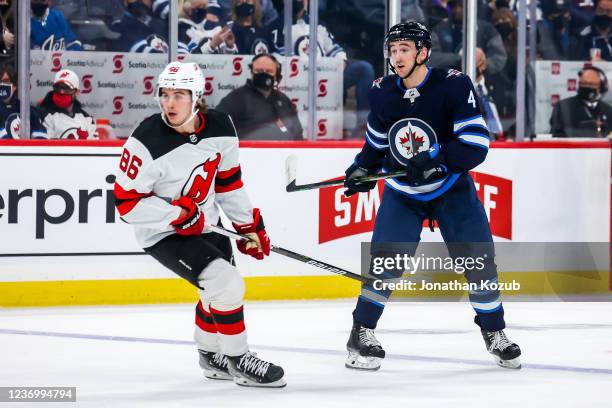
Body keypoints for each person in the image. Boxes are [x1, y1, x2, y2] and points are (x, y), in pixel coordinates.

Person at [342, 22, 521, 371]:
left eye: (405, 49)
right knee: (385, 265)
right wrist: (361, 170)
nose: (397, 56)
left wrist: (437, 162)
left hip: (451, 189)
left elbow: (476, 143)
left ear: (423, 52)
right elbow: (378, 143)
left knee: (478, 262)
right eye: (393, 50)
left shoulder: (453, 85)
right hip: (403, 194)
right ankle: (361, 331)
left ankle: (494, 331)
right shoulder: (381, 90)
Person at [113, 60, 286, 387]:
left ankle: (210, 354)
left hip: (206, 223)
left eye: (179, 95)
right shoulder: (146, 140)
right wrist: (175, 215)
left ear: (197, 97)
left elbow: (228, 183)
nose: (170, 103)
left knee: (216, 292)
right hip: (163, 232)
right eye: (164, 94)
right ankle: (239, 359)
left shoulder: (221, 126)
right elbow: (126, 204)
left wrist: (248, 226)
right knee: (226, 284)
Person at [217, 53, 303, 139]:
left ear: (276, 75)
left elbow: (297, 133)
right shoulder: (236, 99)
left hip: (284, 151)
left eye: (269, 71)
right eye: (259, 71)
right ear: (252, 73)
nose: (264, 75)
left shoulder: (283, 100)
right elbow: (216, 128)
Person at [550, 65, 612, 137]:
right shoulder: (563, 107)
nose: (586, 87)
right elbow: (555, 135)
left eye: (591, 84)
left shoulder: (608, 110)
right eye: (583, 83)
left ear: (600, 87)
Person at [38, 69, 97, 140]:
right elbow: (42, 147)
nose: (61, 91)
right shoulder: (42, 116)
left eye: (66, 88)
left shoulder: (86, 119)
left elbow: (94, 148)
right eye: (58, 87)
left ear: (77, 92)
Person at [0, 64, 47, 139]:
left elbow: (41, 136)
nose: (1, 84)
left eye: (6, 81)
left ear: (14, 86)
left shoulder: (25, 110)